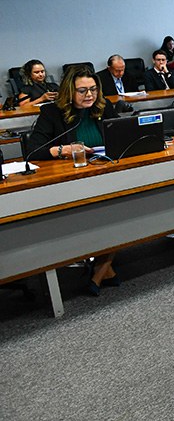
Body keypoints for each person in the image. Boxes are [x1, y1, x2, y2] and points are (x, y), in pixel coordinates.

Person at [28, 65, 120, 295]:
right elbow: (33, 151)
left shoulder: (103, 106)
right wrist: (65, 149)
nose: (89, 95)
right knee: (111, 212)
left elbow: (119, 132)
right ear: (69, 91)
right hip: (72, 179)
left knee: (122, 208)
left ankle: (100, 272)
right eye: (82, 91)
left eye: (93, 89)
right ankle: (104, 270)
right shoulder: (52, 112)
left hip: (107, 174)